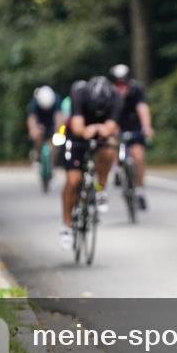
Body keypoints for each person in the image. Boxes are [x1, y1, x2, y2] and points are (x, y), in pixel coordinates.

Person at [59, 76, 121, 249]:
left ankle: (100, 189)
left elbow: (111, 127)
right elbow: (79, 128)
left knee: (109, 151)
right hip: (77, 136)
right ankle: (66, 226)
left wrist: (99, 130)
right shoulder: (79, 92)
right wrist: (92, 130)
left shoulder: (116, 97)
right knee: (73, 180)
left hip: (100, 134)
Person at [109, 64, 155, 209]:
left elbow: (142, 108)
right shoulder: (110, 93)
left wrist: (146, 127)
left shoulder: (136, 90)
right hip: (115, 123)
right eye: (118, 83)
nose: (121, 87)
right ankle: (116, 168)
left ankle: (140, 190)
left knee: (139, 157)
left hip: (133, 124)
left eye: (123, 83)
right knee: (112, 141)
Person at [27, 86, 61, 169]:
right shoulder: (35, 101)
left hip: (52, 123)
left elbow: (59, 117)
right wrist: (33, 130)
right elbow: (31, 118)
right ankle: (37, 156)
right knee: (37, 137)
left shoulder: (56, 100)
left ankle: (52, 164)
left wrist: (58, 132)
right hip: (40, 122)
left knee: (55, 143)